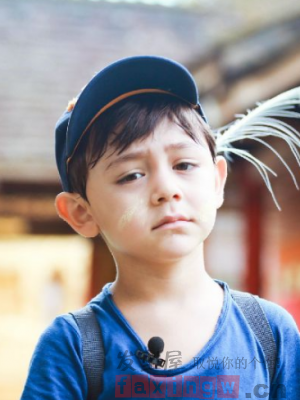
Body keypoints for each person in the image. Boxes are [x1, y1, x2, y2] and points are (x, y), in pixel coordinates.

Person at [20, 56, 300, 400]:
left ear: (217, 181)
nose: (167, 189)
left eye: (183, 164)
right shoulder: (75, 347)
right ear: (81, 212)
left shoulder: (270, 334)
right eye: (131, 175)